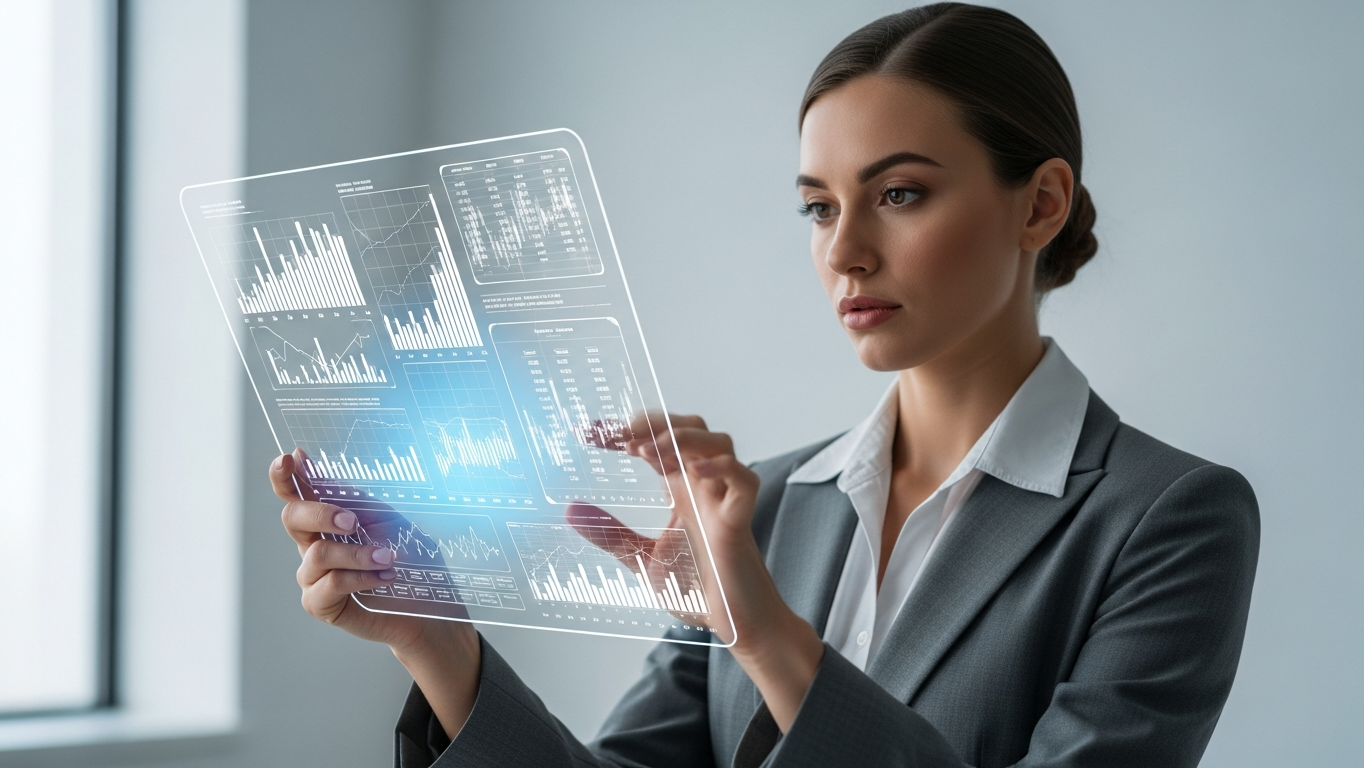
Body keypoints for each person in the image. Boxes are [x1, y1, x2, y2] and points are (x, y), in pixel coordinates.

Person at [271, 4, 1260, 766]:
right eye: (819, 208)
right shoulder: (772, 506)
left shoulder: (1167, 516)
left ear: (1039, 202)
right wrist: (434, 635)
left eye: (899, 195)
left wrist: (766, 634)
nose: (847, 252)